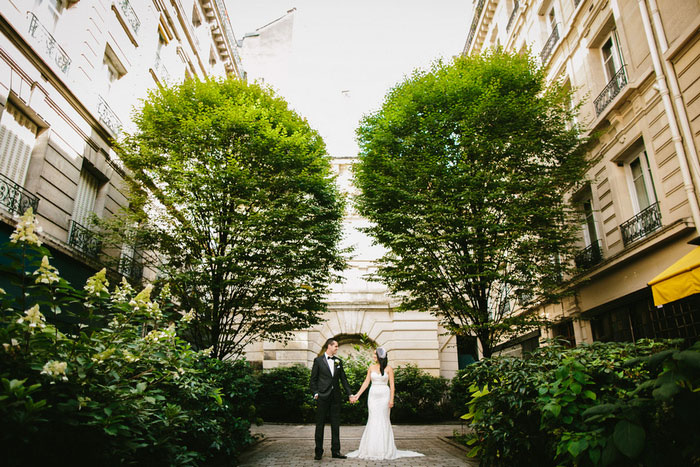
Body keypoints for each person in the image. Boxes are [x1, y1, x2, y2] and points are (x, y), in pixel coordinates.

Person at [346, 347, 424, 460]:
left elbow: (392, 385)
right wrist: (357, 395)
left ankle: (384, 449)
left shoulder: (389, 369)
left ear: (380, 357)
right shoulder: (371, 368)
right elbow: (366, 383)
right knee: (373, 419)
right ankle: (371, 449)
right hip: (373, 396)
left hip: (384, 396)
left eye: (374, 355)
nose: (373, 357)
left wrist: (391, 399)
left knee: (383, 420)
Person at [309, 338, 355, 460]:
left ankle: (336, 451)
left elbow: (343, 379)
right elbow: (313, 380)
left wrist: (350, 394)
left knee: (336, 425)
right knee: (320, 425)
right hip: (322, 397)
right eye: (336, 346)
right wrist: (315, 393)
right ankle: (318, 451)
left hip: (335, 397)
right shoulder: (318, 361)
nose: (337, 348)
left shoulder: (338, 361)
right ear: (329, 346)